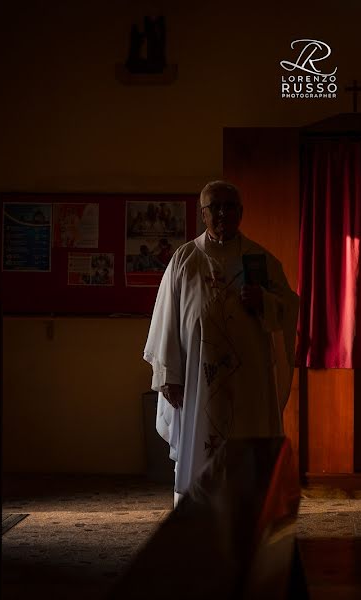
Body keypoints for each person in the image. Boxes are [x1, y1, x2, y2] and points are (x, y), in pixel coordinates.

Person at [143, 181, 299, 506]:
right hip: (199, 379)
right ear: (203, 213)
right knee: (201, 446)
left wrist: (265, 301)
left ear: (241, 213)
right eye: (215, 207)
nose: (223, 213)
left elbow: (289, 307)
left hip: (249, 381)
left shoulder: (261, 260)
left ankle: (246, 516)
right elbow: (166, 320)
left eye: (230, 207)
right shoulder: (184, 259)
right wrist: (169, 374)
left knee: (247, 451)